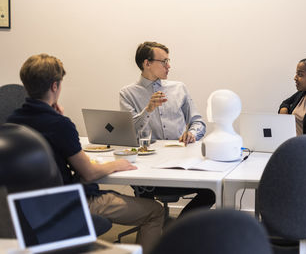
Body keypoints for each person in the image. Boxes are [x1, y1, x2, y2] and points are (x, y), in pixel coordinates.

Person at [7, 54, 164, 253]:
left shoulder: (11, 123)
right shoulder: (59, 125)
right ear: (55, 86)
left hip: (26, 208)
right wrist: (118, 164)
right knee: (155, 211)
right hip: (65, 204)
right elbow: (89, 173)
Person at [119, 41, 215, 217]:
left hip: (180, 163)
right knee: (142, 187)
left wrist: (192, 134)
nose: (168, 66)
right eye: (163, 61)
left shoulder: (179, 88)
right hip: (148, 166)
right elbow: (129, 133)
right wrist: (148, 110)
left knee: (213, 188)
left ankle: (181, 226)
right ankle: (152, 227)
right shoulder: (128, 93)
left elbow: (198, 123)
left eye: (168, 60)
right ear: (147, 63)